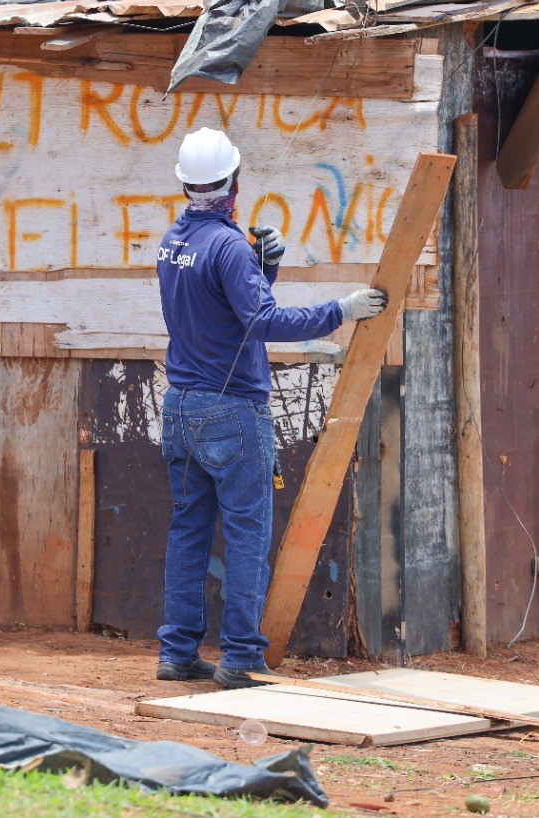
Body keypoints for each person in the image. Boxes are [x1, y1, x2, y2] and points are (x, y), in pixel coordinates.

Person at [155, 127, 388, 688]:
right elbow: (262, 322)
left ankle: (178, 653)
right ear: (235, 181)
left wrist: (264, 271)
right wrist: (342, 309)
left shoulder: (174, 242)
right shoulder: (229, 247)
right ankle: (239, 656)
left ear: (186, 185)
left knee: (188, 532)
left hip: (181, 408)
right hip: (232, 412)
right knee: (247, 535)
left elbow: (223, 313)